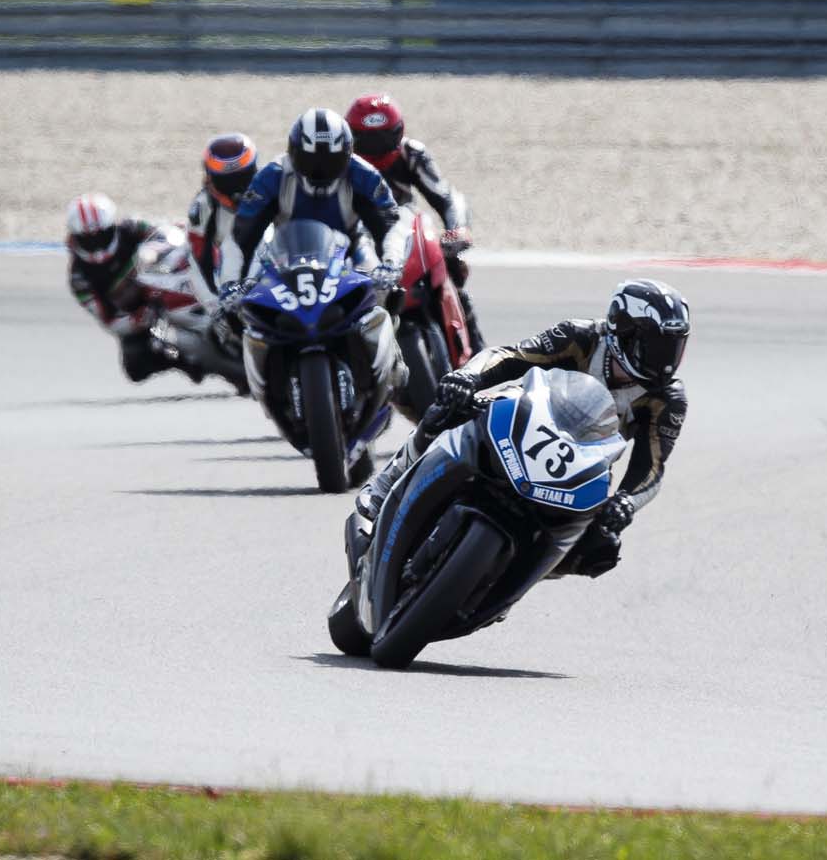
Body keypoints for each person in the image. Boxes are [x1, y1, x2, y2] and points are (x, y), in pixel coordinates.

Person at [354, 278, 691, 578]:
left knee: (600, 548)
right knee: (447, 410)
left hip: (578, 473)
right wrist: (468, 377)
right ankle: (384, 487)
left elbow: (651, 467)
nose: (665, 360)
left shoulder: (668, 398)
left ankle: (503, 583)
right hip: (521, 426)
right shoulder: (581, 337)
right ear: (624, 331)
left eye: (674, 347)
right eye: (657, 346)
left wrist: (626, 503)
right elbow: (511, 357)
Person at [226, 107, 413, 397]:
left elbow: (390, 225)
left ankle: (392, 357)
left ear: (347, 154)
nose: (320, 170)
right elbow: (239, 239)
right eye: (311, 160)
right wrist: (229, 283)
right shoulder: (273, 176)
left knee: (388, 291)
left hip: (350, 253)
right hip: (284, 256)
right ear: (293, 153)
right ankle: (266, 375)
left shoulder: (362, 174)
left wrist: (390, 263)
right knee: (247, 309)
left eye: (331, 161)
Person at [344, 93, 485, 351]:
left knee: (453, 268)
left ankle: (476, 355)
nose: (377, 147)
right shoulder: (342, 164)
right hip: (360, 240)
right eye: (368, 140)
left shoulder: (412, 154)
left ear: (398, 133)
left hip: (408, 233)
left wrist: (457, 229)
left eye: (384, 138)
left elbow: (447, 196)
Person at [65, 191, 202, 384]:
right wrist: (135, 319)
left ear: (111, 226)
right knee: (135, 365)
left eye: (100, 235)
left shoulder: (132, 227)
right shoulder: (79, 277)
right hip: (140, 312)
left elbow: (169, 235)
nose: (96, 243)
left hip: (170, 280)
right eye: (89, 239)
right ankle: (187, 362)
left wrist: (153, 251)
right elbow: (108, 320)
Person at [185, 132, 259, 307]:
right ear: (209, 178)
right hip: (230, 277)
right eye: (227, 182)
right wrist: (215, 307)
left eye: (242, 179)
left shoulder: (271, 189)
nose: (236, 191)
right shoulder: (203, 206)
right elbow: (198, 261)